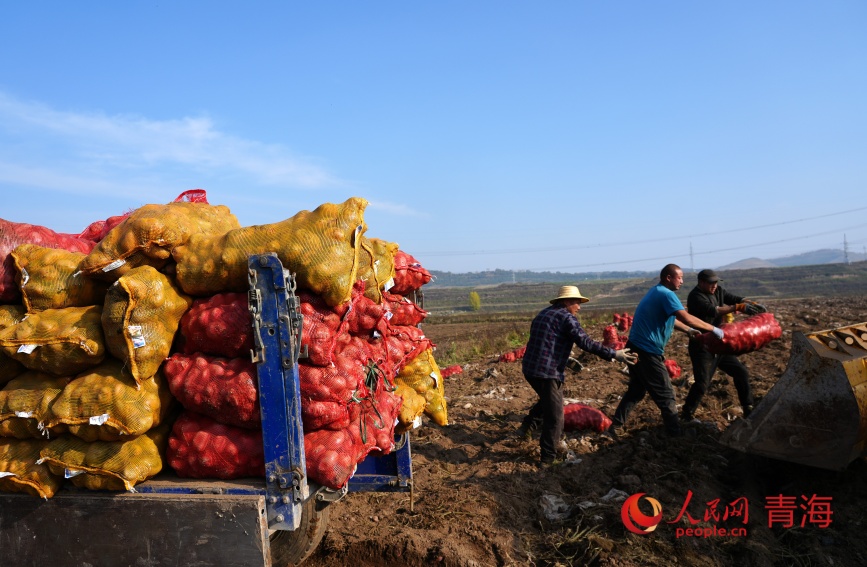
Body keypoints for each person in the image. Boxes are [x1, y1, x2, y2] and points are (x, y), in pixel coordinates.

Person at [518, 285, 638, 466]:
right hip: (547, 372)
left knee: (548, 400)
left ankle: (527, 426)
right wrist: (614, 354)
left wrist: (565, 359)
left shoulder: (543, 314)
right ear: (566, 301)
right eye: (577, 302)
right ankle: (548, 458)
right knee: (555, 416)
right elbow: (586, 343)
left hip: (530, 368)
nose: (579, 307)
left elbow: (543, 341)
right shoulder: (567, 318)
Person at [607, 264, 723, 438]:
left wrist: (688, 331)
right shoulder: (666, 294)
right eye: (680, 277)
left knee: (637, 390)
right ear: (668, 277)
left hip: (635, 347)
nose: (682, 282)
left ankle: (615, 427)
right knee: (667, 395)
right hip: (647, 351)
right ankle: (675, 436)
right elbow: (685, 317)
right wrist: (713, 329)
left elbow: (671, 318)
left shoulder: (657, 291)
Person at [681, 269, 766, 421]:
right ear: (701, 282)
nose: (714, 286)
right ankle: (687, 415)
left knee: (741, 372)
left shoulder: (718, 290)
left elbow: (734, 298)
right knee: (702, 383)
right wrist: (738, 308)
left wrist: (749, 303)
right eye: (710, 283)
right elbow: (714, 311)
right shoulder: (695, 296)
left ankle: (748, 408)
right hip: (702, 346)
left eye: (715, 282)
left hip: (719, 343)